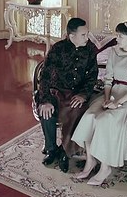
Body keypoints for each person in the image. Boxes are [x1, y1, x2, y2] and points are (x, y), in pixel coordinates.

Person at [71, 21, 127, 186]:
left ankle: (105, 167)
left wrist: (117, 103)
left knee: (104, 120)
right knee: (90, 116)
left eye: (120, 36)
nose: (116, 39)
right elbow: (108, 79)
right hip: (111, 93)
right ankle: (90, 161)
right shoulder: (113, 51)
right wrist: (106, 98)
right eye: (117, 35)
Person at [33, 17, 99, 173]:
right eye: (83, 35)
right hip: (55, 91)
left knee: (77, 110)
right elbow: (45, 76)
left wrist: (83, 94)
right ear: (71, 36)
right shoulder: (58, 48)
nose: (87, 38)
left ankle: (65, 151)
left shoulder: (90, 49)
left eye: (87, 33)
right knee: (46, 110)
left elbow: (92, 76)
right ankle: (51, 150)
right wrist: (46, 100)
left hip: (75, 93)